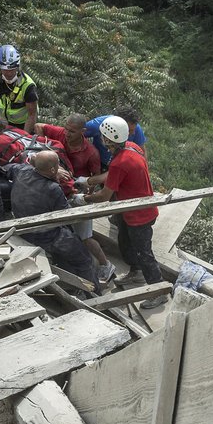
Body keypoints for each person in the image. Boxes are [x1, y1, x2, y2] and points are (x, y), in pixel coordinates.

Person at [83, 115, 167, 309]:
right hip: (130, 208)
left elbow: (105, 196)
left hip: (139, 215)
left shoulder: (119, 161)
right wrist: (90, 181)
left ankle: (159, 290)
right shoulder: (132, 147)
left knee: (144, 253)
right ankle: (136, 273)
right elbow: (113, 176)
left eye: (102, 136)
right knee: (125, 243)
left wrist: (85, 198)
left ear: (107, 139)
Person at [34, 113, 114, 282]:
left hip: (77, 195)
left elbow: (95, 178)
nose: (67, 134)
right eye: (66, 128)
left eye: (72, 131)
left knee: (85, 236)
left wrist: (83, 194)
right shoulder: (60, 134)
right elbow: (39, 127)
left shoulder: (91, 153)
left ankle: (105, 264)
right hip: (56, 192)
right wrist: (44, 151)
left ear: (83, 131)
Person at [7, 150, 99, 291]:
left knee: (65, 255)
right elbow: (65, 217)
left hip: (24, 231)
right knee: (84, 260)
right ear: (52, 169)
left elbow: (10, 167)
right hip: (48, 236)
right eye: (57, 166)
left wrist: (40, 166)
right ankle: (94, 294)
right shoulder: (52, 189)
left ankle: (70, 287)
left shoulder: (21, 171)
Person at [0, 45, 38, 134]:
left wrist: (24, 137)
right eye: (5, 70)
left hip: (22, 126)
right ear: (0, 68)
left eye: (12, 70)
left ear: (17, 66)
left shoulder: (28, 86)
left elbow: (32, 115)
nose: (9, 73)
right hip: (4, 122)